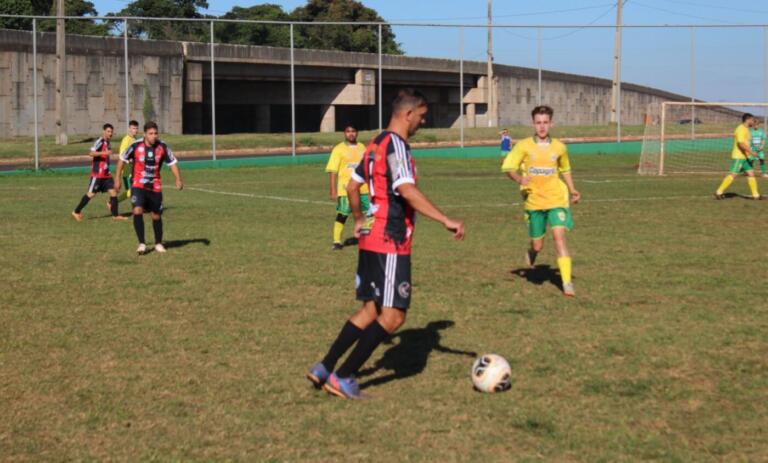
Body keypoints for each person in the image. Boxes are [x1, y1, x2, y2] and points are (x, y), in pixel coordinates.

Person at [307, 89, 465, 399]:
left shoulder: (375, 144)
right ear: (408, 115)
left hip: (369, 238)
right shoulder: (397, 147)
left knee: (370, 311)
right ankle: (343, 376)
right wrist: (445, 219)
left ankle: (324, 366)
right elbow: (406, 189)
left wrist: (358, 218)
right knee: (394, 316)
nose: (421, 123)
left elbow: (353, 186)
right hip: (390, 241)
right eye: (420, 117)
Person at [502, 105, 580, 297]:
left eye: (545, 122)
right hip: (535, 201)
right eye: (538, 123)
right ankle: (533, 251)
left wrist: (572, 189)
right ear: (533, 124)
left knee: (559, 237)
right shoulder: (524, 146)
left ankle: (567, 282)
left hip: (556, 199)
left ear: (551, 123)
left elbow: (565, 169)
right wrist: (520, 179)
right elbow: (508, 167)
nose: (542, 127)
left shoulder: (560, 147)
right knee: (538, 244)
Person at [115, 121, 183, 255]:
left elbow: (173, 163)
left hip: (155, 186)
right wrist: (117, 178)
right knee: (137, 210)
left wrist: (178, 179)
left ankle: (158, 243)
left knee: (156, 215)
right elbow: (122, 159)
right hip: (138, 184)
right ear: (144, 134)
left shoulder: (162, 147)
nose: (154, 136)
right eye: (150, 134)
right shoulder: (135, 146)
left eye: (155, 133)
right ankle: (142, 243)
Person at [324, 123, 369, 250]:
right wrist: (333, 190)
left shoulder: (362, 147)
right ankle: (337, 241)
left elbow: (367, 168)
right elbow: (333, 171)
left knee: (368, 215)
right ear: (344, 133)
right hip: (345, 190)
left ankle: (366, 239)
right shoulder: (338, 149)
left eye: (353, 131)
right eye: (348, 131)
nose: (351, 133)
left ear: (357, 133)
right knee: (342, 215)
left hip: (363, 189)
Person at [71, 123, 127, 222]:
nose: (110, 133)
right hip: (98, 175)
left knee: (113, 192)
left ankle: (115, 215)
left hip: (106, 174)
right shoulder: (100, 141)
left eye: (111, 132)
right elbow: (91, 153)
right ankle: (76, 211)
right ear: (104, 131)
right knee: (91, 194)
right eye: (108, 131)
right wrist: (104, 153)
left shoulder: (107, 142)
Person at [715, 113, 761, 200]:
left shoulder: (747, 129)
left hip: (745, 157)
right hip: (739, 156)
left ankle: (756, 195)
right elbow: (740, 144)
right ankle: (718, 192)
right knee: (733, 174)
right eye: (752, 120)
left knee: (751, 174)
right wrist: (751, 152)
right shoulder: (740, 129)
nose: (753, 121)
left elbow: (746, 143)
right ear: (747, 120)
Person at [117, 120, 140, 203]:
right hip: (126, 169)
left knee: (135, 190)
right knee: (131, 191)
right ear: (129, 129)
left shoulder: (134, 139)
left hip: (133, 168)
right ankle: (113, 202)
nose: (135, 130)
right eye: (133, 128)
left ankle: (141, 207)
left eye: (137, 128)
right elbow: (122, 154)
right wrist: (129, 159)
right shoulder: (126, 140)